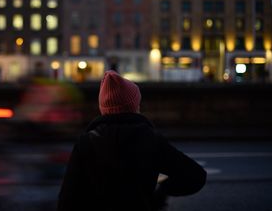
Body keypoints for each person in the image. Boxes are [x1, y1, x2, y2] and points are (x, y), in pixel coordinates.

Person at [57, 70, 206, 211]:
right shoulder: (150, 140)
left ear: (103, 109)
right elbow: (196, 176)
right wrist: (161, 193)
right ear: (134, 106)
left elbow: (67, 201)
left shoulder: (86, 143)